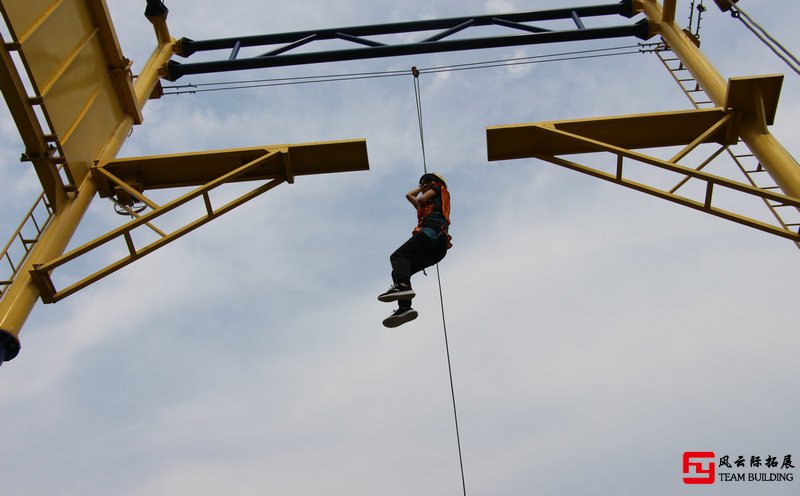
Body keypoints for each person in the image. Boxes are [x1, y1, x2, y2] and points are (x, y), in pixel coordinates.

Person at [378, 172, 452, 327]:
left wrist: (424, 190)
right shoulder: (426, 203)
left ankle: (402, 286)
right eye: (421, 183)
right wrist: (421, 187)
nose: (424, 185)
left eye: (427, 182)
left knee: (398, 257)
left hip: (432, 233)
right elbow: (408, 195)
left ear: (435, 183)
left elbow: (421, 199)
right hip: (438, 249)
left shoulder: (439, 188)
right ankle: (405, 308)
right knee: (399, 271)